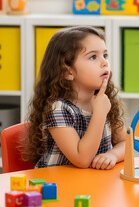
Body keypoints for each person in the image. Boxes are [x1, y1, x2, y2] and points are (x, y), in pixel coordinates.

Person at [21, 26, 126, 170]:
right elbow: (82, 159)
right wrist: (100, 113)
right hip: (58, 186)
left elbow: (127, 143)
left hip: (93, 184)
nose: (104, 62)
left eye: (105, 55)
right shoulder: (58, 108)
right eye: (93, 57)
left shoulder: (104, 100)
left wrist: (113, 155)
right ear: (68, 71)